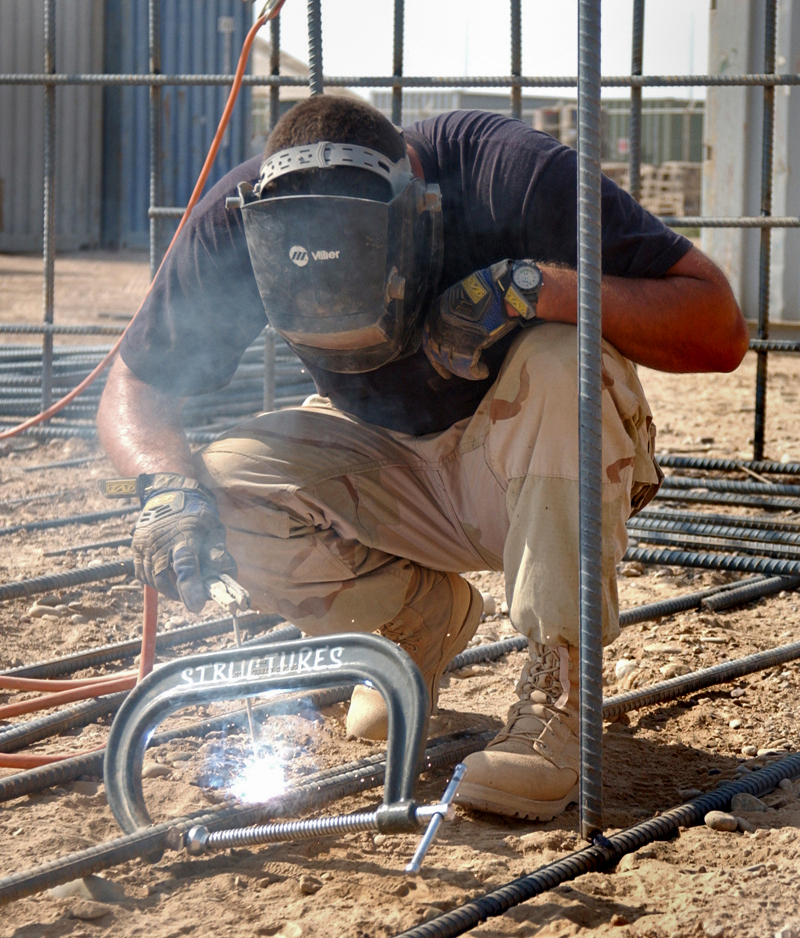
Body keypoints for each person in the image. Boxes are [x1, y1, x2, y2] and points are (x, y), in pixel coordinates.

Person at [97, 96, 748, 822]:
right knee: (217, 483)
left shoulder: (510, 172)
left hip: (532, 459)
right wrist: (164, 492)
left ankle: (561, 693)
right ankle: (414, 623)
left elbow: (718, 325)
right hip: (387, 459)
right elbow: (136, 384)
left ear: (417, 205)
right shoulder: (245, 220)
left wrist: (537, 289)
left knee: (563, 359)